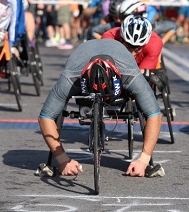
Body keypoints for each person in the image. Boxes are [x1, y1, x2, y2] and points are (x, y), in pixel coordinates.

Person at [38, 39, 164, 177]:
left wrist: (144, 160)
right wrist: (62, 160)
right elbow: (46, 117)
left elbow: (154, 114)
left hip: (119, 55)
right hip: (81, 59)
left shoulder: (131, 75)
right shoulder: (70, 77)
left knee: (144, 105)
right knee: (56, 108)